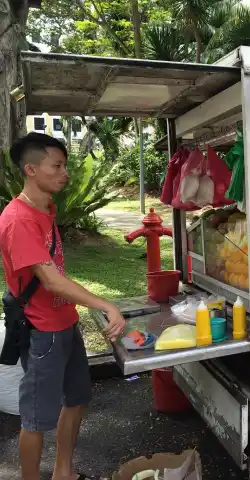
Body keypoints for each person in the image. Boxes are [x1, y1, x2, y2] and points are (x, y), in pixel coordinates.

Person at [0, 133, 126, 480]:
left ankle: (63, 473)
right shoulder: (18, 219)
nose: (65, 172)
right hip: (42, 333)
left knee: (77, 399)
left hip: (65, 323)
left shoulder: (45, 210)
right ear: (31, 169)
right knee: (36, 420)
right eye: (56, 166)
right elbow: (51, 280)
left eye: (65, 165)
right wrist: (106, 305)